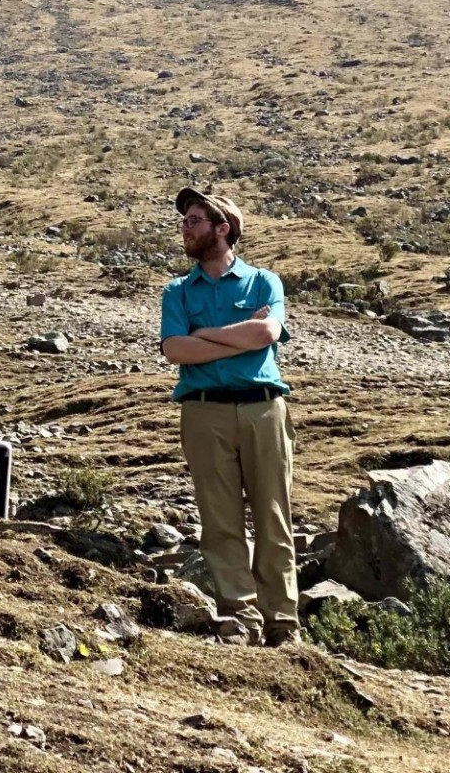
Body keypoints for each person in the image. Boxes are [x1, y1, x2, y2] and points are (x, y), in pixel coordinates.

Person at [160, 189, 299, 647]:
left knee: (272, 516)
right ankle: (240, 618)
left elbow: (267, 331)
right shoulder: (176, 291)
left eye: (195, 220)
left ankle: (283, 623)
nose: (186, 227)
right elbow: (175, 349)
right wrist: (240, 339)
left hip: (263, 409)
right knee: (219, 520)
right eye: (184, 220)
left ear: (223, 229)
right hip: (203, 413)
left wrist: (206, 335)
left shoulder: (265, 283)